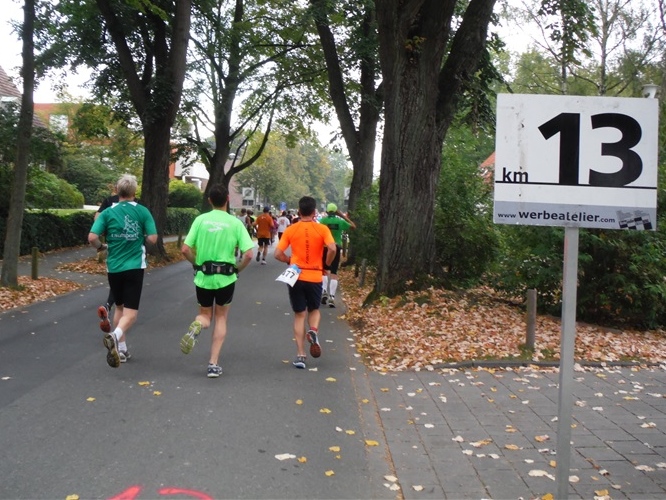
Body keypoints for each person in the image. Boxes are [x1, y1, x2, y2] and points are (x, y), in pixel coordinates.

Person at [180, 184, 254, 378]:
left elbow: (185, 249)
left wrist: (197, 264)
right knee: (221, 317)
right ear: (228, 199)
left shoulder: (200, 220)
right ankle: (213, 364)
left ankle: (198, 325)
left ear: (210, 200)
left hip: (203, 277)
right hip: (226, 278)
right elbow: (248, 254)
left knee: (205, 315)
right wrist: (237, 270)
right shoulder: (235, 223)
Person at [88, 174, 158, 368]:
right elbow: (153, 238)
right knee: (131, 314)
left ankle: (121, 349)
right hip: (134, 266)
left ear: (117, 191)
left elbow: (92, 237)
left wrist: (101, 247)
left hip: (114, 267)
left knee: (119, 307)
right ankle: (115, 336)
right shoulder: (142, 211)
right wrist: (141, 239)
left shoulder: (108, 213)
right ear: (134, 192)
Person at [274, 196, 336, 369]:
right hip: (315, 275)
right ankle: (313, 331)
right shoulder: (322, 229)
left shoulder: (291, 229)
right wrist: (326, 264)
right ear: (315, 212)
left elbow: (277, 254)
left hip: (296, 275)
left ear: (299, 211)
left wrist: (289, 260)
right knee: (314, 310)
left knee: (299, 314)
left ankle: (301, 355)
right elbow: (332, 248)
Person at [318, 203, 356, 308]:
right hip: (336, 248)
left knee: (324, 270)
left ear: (327, 211)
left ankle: (324, 291)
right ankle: (332, 297)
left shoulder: (323, 221)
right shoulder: (340, 221)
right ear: (336, 212)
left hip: (325, 247)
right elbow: (353, 226)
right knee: (334, 272)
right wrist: (343, 216)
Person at [94, 189, 120, 333]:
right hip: (132, 254)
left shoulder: (109, 201)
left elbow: (97, 217)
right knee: (126, 297)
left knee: (116, 285)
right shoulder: (136, 204)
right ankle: (119, 336)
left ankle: (107, 306)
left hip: (113, 251)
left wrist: (103, 231)